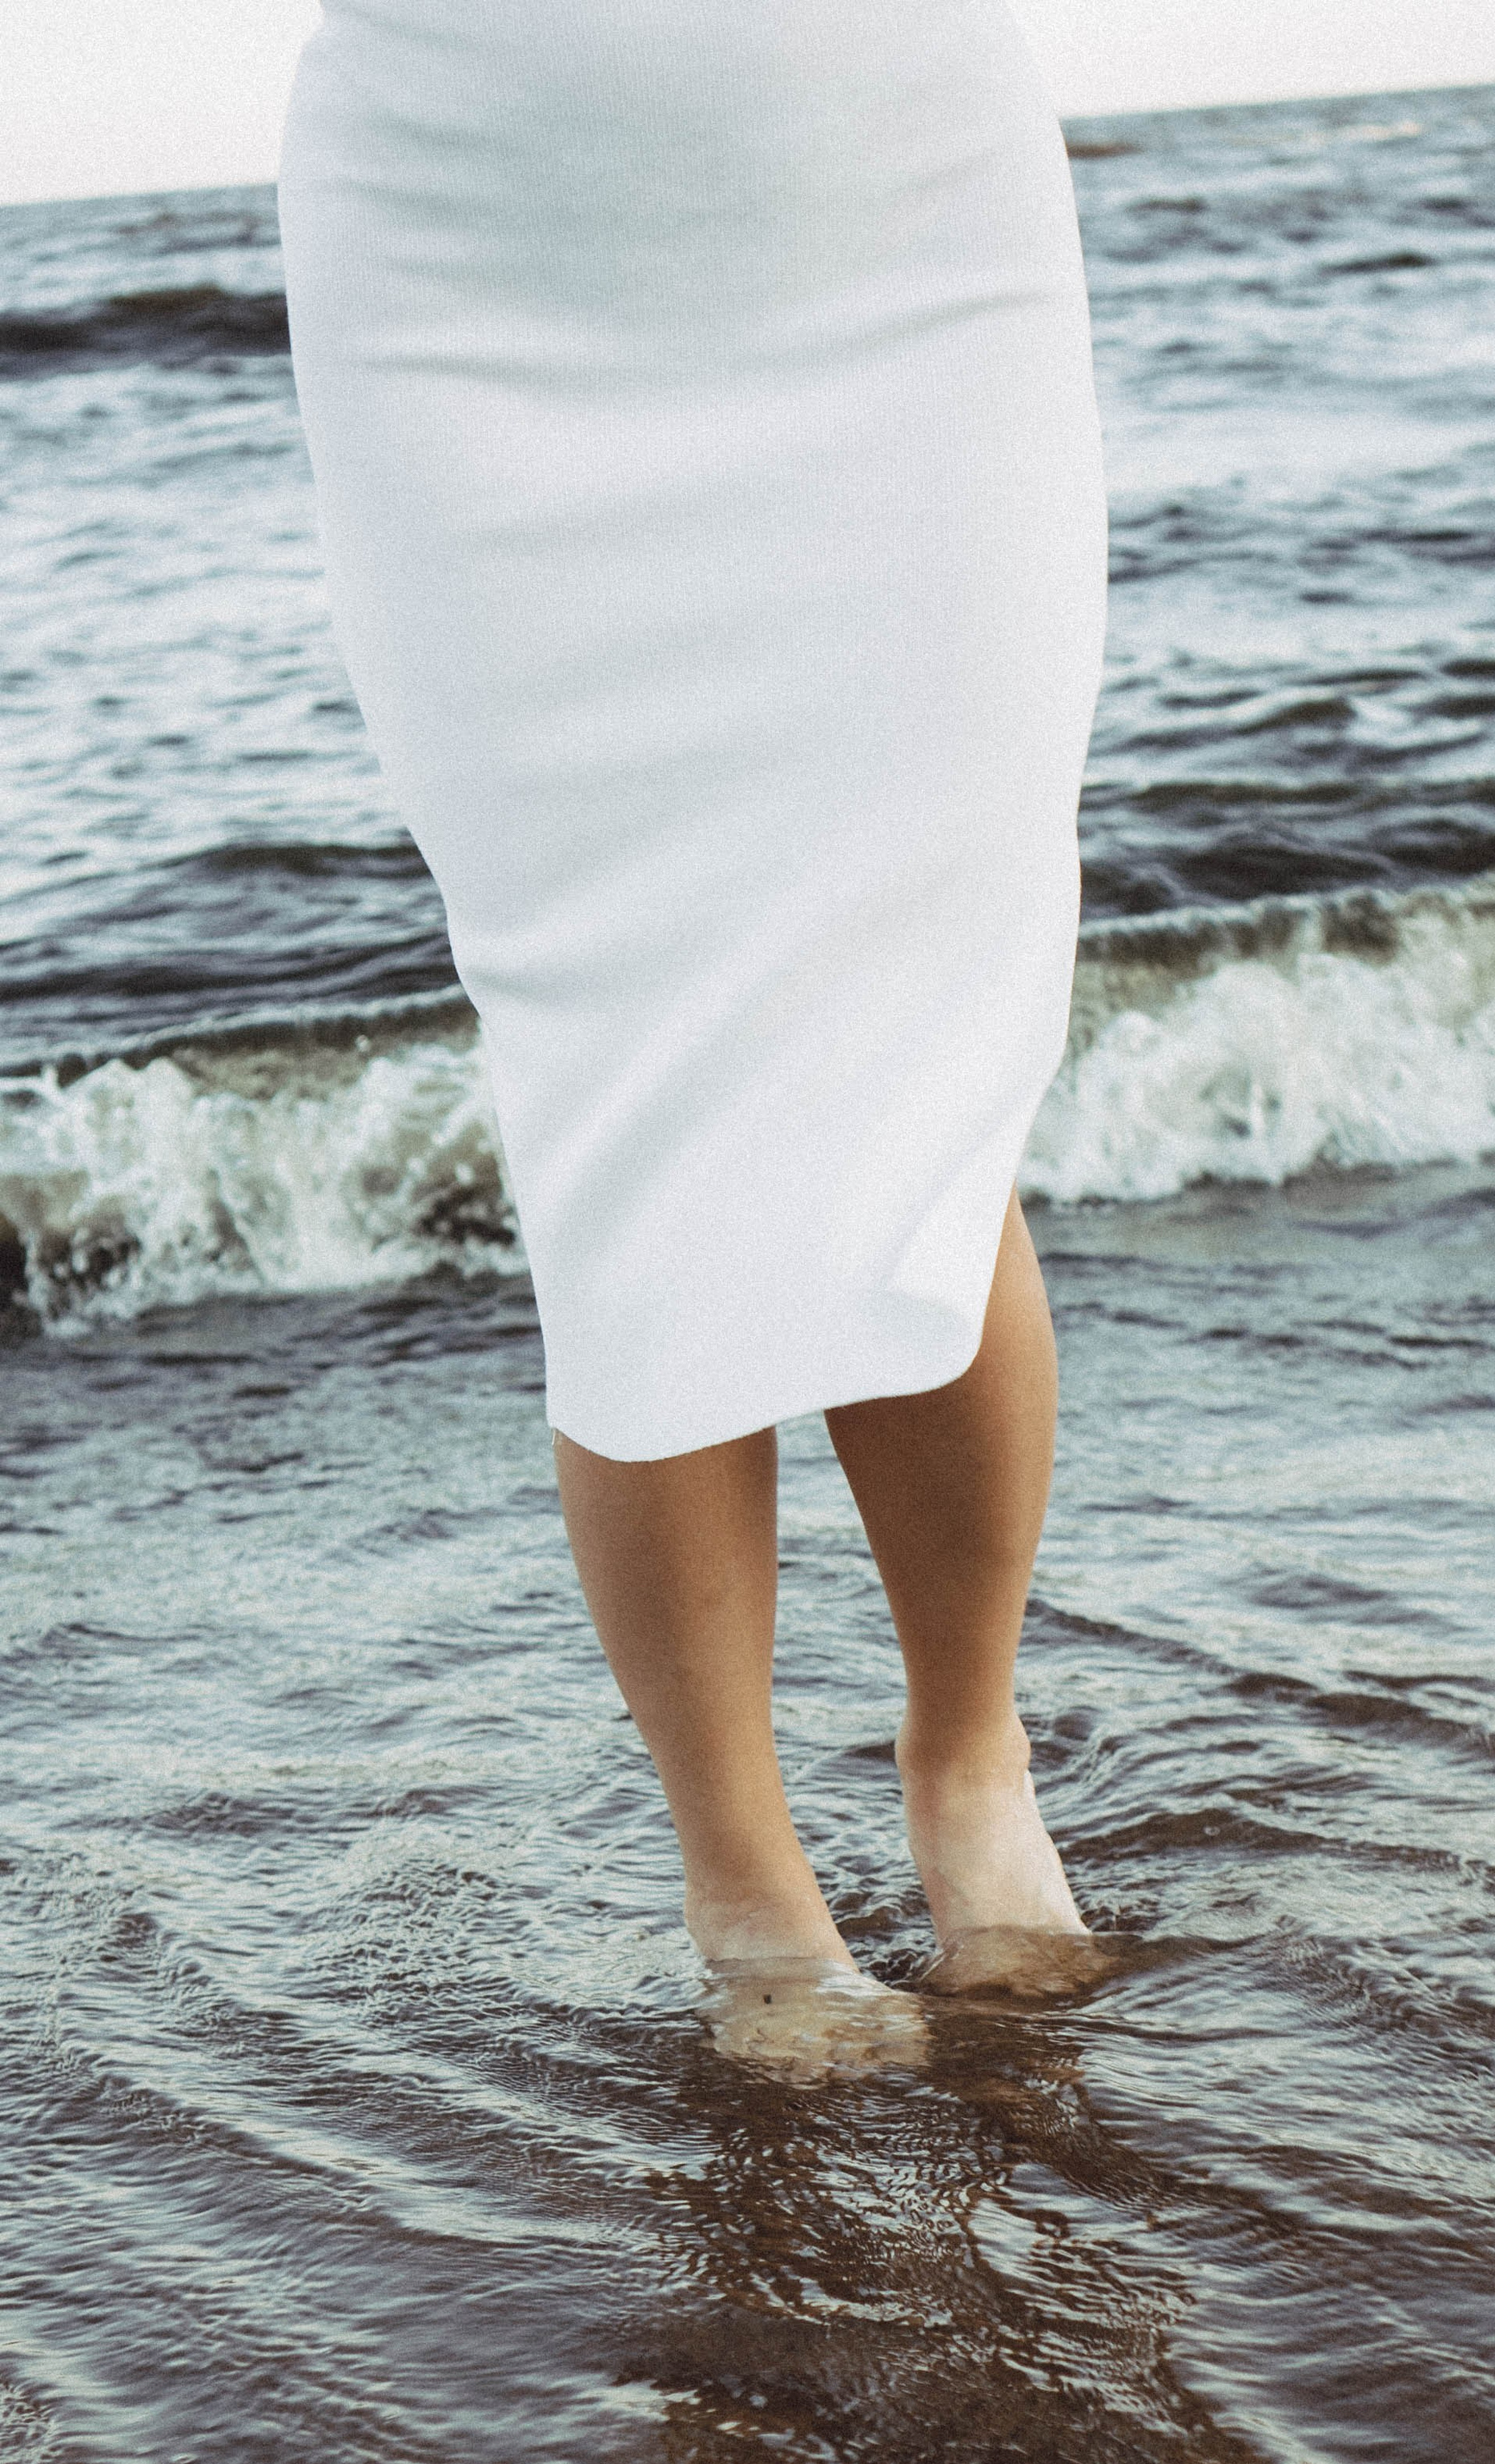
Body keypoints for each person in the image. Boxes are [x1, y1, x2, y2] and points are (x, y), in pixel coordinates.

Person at [278, 3, 1109, 2045]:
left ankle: (966, 1763)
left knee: (918, 1052)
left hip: (896, 203)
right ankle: (745, 1886)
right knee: (624, 1082)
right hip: (474, 233)